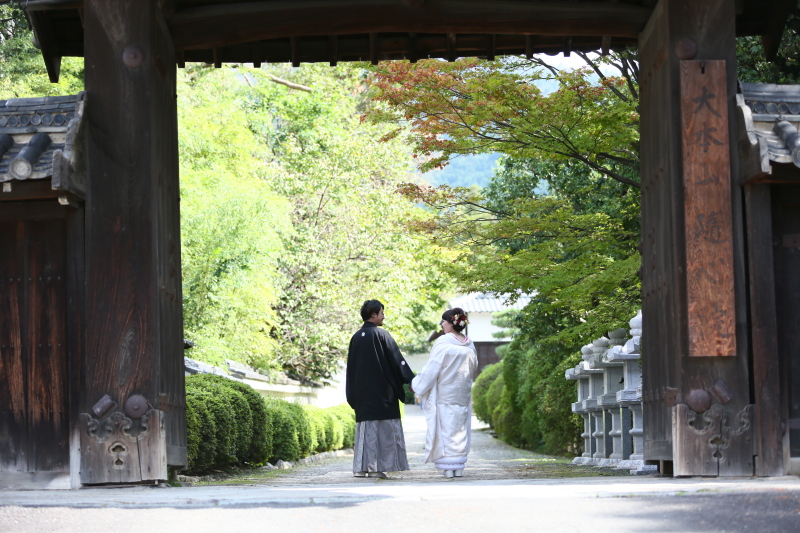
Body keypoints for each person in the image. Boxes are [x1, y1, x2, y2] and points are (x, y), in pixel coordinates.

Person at [346, 299, 415, 478]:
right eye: (382, 313)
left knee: (365, 429)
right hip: (383, 393)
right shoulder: (381, 334)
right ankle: (376, 468)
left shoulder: (355, 337)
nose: (383, 316)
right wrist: (410, 380)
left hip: (362, 393)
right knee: (382, 429)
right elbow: (397, 360)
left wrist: (352, 393)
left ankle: (361, 468)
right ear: (373, 314)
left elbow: (351, 368)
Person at [411, 307, 478, 478]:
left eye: (444, 321)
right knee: (459, 429)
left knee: (446, 429)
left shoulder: (443, 342)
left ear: (451, 323)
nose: (442, 324)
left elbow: (432, 368)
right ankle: (458, 466)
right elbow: (474, 366)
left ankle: (448, 467)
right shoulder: (469, 343)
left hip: (445, 393)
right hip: (462, 393)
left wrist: (417, 384)